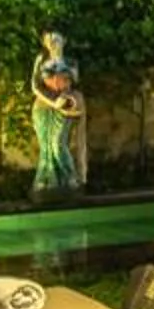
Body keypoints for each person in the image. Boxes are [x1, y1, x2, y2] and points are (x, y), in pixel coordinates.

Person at [31, 31, 87, 196]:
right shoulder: (40, 61)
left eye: (56, 38)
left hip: (65, 103)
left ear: (64, 40)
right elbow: (35, 86)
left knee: (57, 143)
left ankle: (70, 179)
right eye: (49, 39)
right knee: (46, 146)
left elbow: (73, 80)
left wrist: (60, 102)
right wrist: (52, 102)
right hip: (43, 105)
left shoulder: (71, 62)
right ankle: (46, 182)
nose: (53, 42)